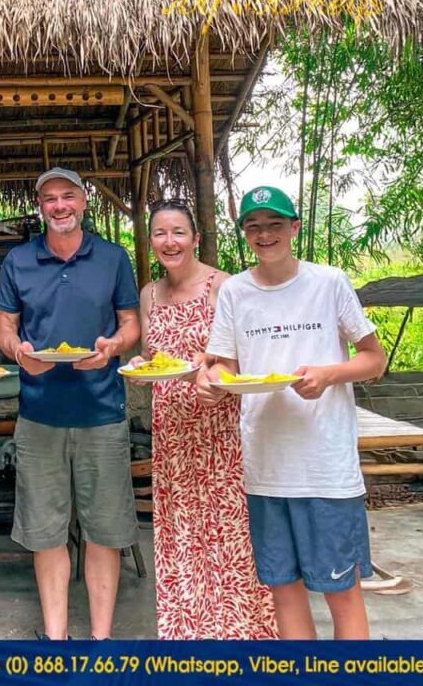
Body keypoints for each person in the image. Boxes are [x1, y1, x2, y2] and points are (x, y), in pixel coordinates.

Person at [197, 186, 386, 640]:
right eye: (254, 226)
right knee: (284, 591)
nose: (265, 234)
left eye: (275, 224)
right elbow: (225, 365)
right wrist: (211, 383)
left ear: (294, 228)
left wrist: (329, 374)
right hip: (265, 467)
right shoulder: (236, 292)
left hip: (326, 470)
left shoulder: (328, 282)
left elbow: (374, 360)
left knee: (342, 593)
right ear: (244, 233)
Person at [0, 167, 140, 641]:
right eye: (50, 198)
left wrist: (112, 347)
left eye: (68, 197)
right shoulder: (18, 260)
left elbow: (130, 324)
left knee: (104, 532)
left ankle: (101, 641)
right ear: (40, 207)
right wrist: (19, 353)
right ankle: (54, 640)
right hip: (38, 416)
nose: (59, 206)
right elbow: (6, 327)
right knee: (45, 533)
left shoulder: (113, 258)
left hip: (102, 413)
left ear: (83, 202)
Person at [126, 200, 277, 639]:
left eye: (178, 232)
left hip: (220, 430)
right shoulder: (149, 294)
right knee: (181, 536)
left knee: (230, 536)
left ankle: (245, 639)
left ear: (195, 238)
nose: (169, 242)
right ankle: (189, 639)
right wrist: (141, 366)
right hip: (172, 434)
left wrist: (208, 366)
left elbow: (251, 355)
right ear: (151, 241)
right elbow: (155, 357)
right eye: (160, 233)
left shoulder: (223, 286)